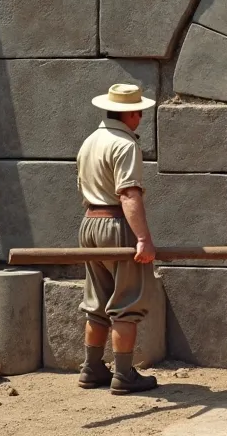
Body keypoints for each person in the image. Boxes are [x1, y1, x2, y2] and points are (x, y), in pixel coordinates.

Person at [75, 83, 159, 395]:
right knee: (126, 301)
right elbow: (128, 193)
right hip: (114, 223)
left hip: (90, 222)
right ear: (131, 114)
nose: (140, 118)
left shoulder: (90, 141)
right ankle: (123, 374)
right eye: (139, 112)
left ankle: (92, 367)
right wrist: (142, 239)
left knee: (97, 300)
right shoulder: (124, 144)